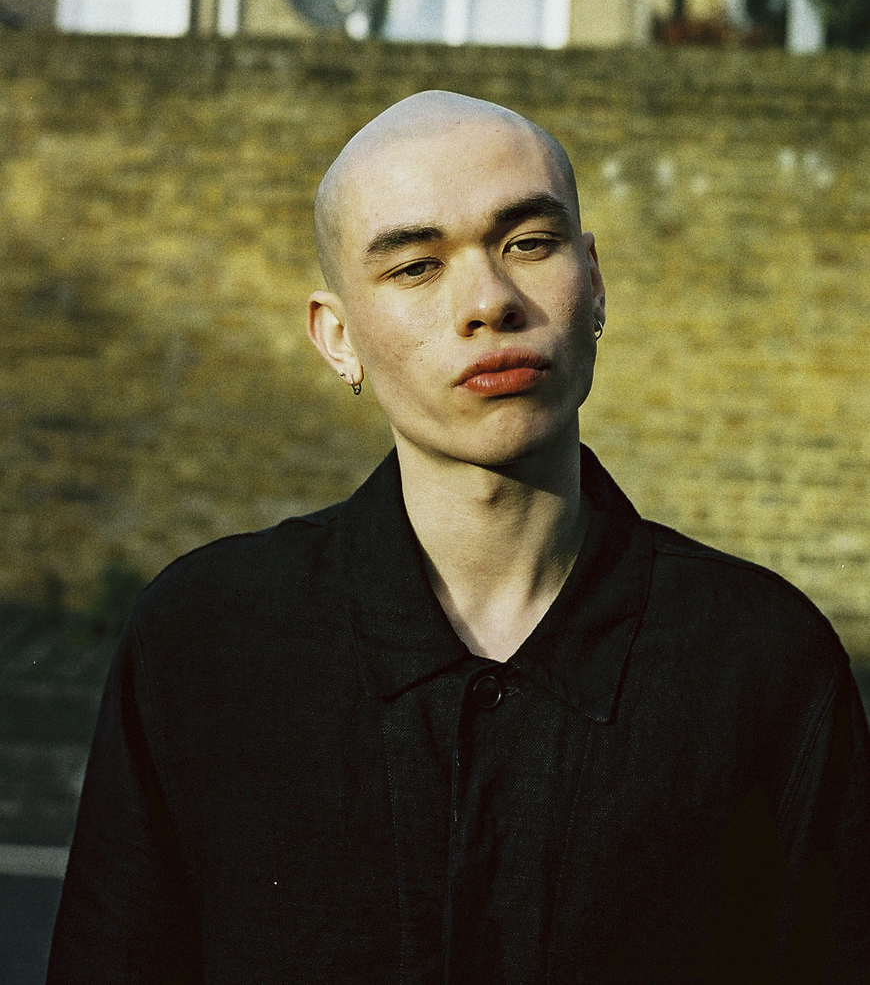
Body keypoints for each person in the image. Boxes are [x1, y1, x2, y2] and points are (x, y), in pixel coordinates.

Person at [48, 90, 870, 984]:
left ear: (594, 280)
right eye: (414, 267)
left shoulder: (761, 659)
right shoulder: (206, 641)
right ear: (337, 338)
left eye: (528, 244)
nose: (488, 302)